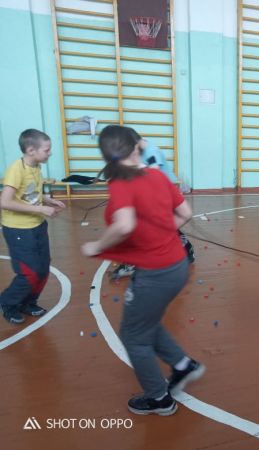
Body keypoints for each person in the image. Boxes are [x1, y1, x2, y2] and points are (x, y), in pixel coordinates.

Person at [81, 125, 203, 416]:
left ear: (105, 155)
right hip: (178, 265)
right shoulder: (157, 175)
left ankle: (159, 398)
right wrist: (162, 238)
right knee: (145, 322)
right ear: (137, 147)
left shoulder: (121, 183)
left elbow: (124, 225)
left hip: (156, 274)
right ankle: (183, 365)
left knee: (133, 335)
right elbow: (185, 214)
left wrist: (97, 246)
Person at [0, 129, 65, 324]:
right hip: (18, 229)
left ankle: (28, 302)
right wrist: (41, 209)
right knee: (30, 272)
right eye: (47, 150)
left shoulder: (36, 166)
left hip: (37, 226)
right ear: (31, 150)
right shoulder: (16, 170)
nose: (50, 153)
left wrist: (47, 200)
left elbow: (30, 193)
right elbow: (4, 202)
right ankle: (7, 303)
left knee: (43, 269)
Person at [111, 137, 195, 280]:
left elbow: (154, 174)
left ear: (136, 143)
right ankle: (187, 250)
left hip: (166, 194)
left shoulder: (151, 152)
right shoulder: (142, 151)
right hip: (161, 193)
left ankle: (132, 263)